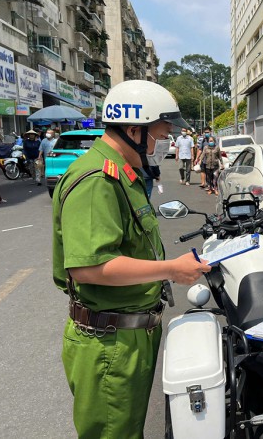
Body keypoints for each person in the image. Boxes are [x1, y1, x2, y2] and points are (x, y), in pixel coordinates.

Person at [51, 80, 211, 438]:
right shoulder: (98, 180)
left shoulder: (124, 173)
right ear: (134, 129)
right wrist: (172, 269)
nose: (165, 143)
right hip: (110, 343)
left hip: (128, 333)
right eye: (161, 134)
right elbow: (90, 267)